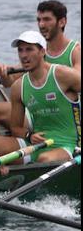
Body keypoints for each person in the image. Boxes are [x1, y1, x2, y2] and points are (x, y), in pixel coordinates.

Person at [0, 1, 77, 130]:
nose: (41, 25)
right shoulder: (34, 53)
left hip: (67, 113)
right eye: (39, 20)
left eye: (46, 20)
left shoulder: (75, 51)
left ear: (62, 22)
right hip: (40, 109)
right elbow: (10, 83)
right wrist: (5, 75)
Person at [7, 30, 80, 162]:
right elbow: (15, 128)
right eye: (20, 50)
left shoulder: (63, 75)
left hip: (70, 145)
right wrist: (29, 136)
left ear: (42, 52)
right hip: (37, 145)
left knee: (44, 158)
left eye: (29, 50)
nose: (23, 55)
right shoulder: (18, 87)